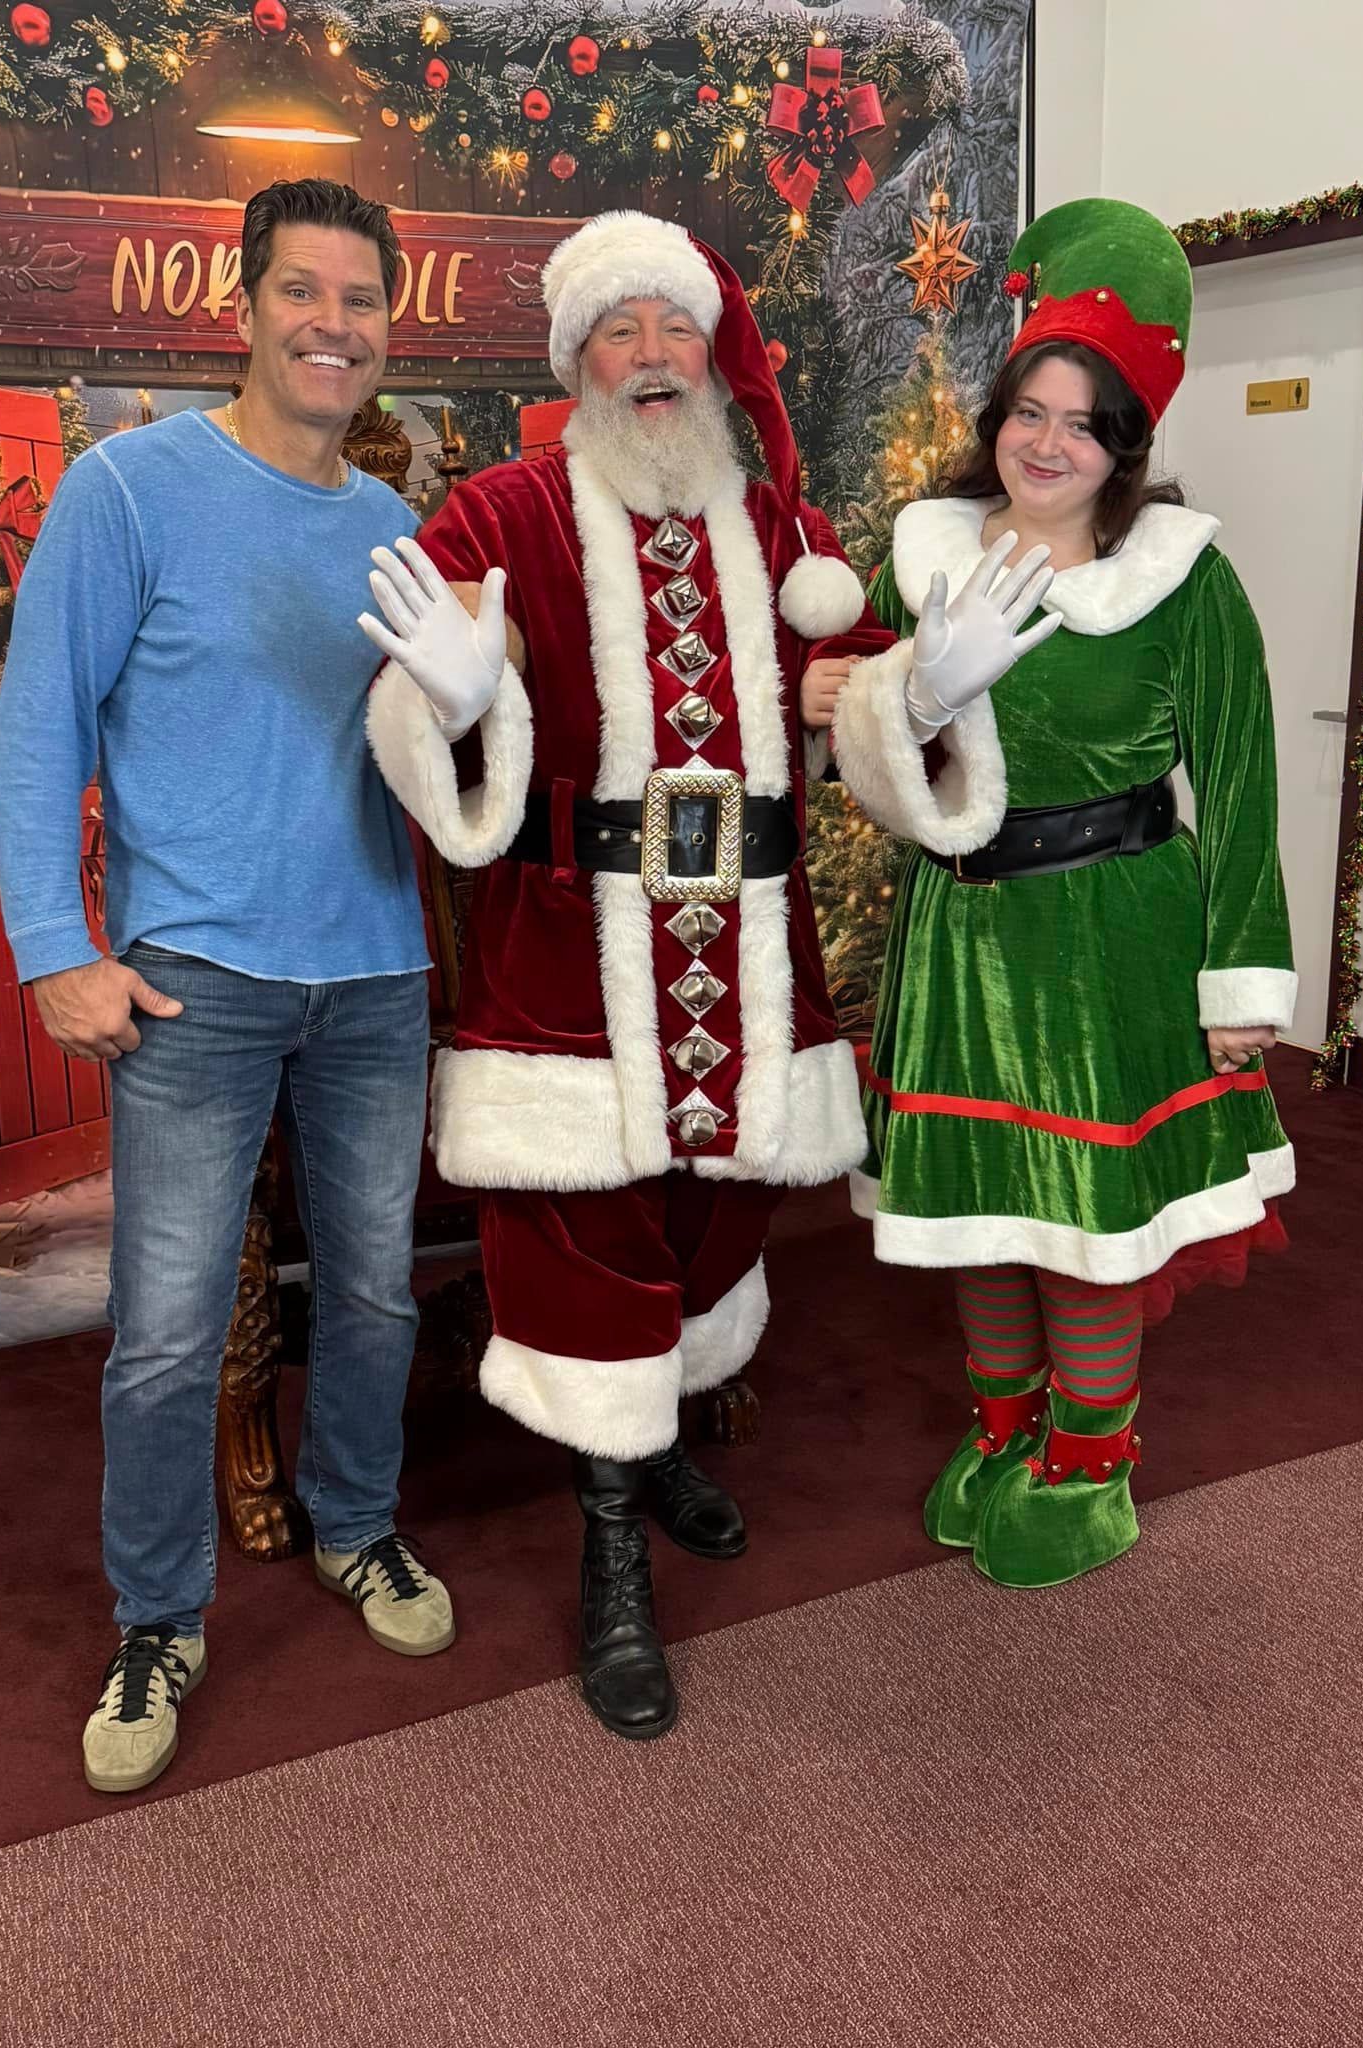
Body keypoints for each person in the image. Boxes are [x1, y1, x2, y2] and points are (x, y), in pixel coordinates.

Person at [357, 212, 1038, 1739]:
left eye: (676, 328)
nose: (653, 357)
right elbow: (419, 698)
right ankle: (611, 1544)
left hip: (749, 941)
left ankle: (657, 1444)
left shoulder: (780, 529)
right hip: (574, 953)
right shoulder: (509, 510)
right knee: (587, 1234)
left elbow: (867, 702)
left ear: (711, 352)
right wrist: (458, 704)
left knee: (716, 1215)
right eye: (620, 333)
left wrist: (919, 689)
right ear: (577, 363)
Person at [0, 178, 454, 1797]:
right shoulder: (131, 490)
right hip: (191, 982)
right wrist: (54, 946)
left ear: (390, 326)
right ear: (244, 306)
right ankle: (157, 1615)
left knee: (381, 1297)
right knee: (169, 1335)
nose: (337, 325)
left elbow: (438, 749)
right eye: (305, 293)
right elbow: (41, 718)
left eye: (363, 301)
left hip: (380, 975)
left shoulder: (400, 535)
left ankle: (359, 1526)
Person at [833, 197, 1295, 1589]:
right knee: (979, 1201)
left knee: (1086, 1221)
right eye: (1028, 410)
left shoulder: (1183, 584)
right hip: (962, 927)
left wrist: (1243, 982)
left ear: (1124, 446)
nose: (1045, 443)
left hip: (1115, 935)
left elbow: (1245, 779)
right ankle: (1007, 1427)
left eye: (1081, 424)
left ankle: (1092, 1466)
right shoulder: (922, 555)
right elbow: (844, 714)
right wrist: (900, 686)